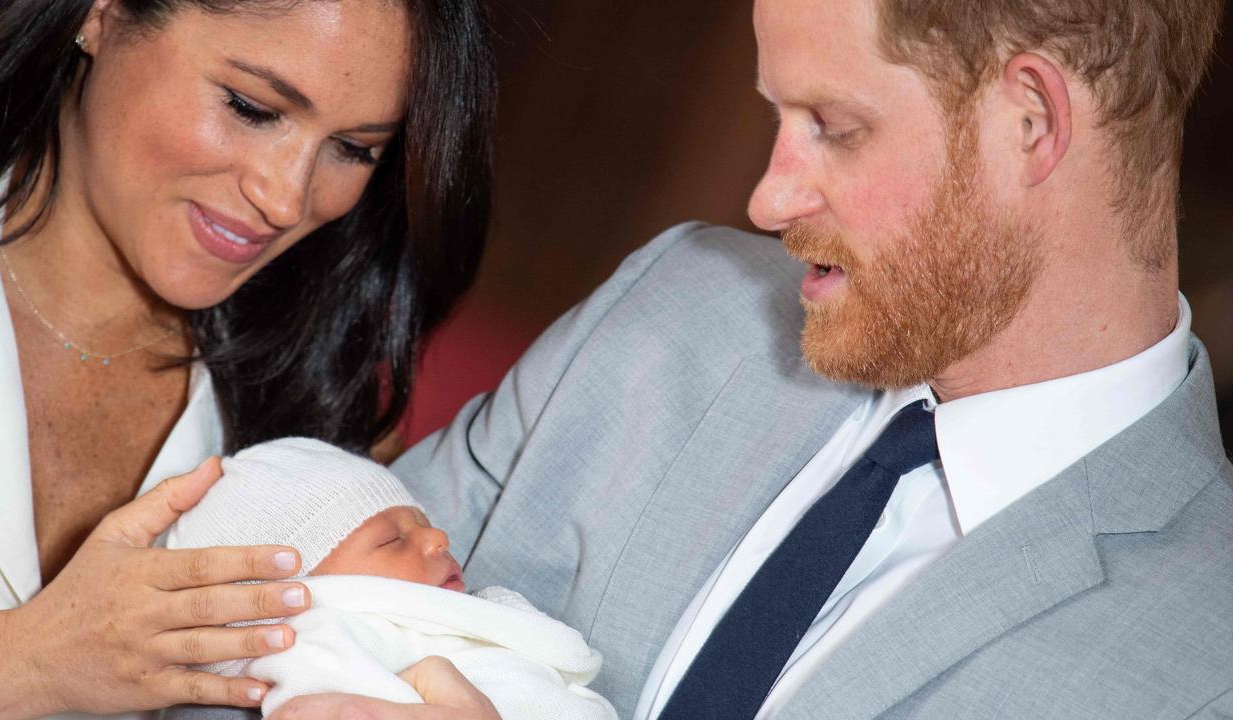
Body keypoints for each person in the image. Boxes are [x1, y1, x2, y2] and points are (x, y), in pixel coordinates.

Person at [286, 0, 1232, 718]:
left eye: (835, 127)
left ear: (1031, 120)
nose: (769, 200)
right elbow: (262, 629)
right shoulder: (672, 306)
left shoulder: (1207, 662)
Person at [0, 0, 494, 717]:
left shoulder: (322, 427)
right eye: (252, 107)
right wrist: (30, 657)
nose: (284, 196)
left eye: (354, 149)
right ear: (101, 14)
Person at [162, 437, 617, 719]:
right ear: (292, 598)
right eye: (390, 540)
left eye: (423, 520)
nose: (438, 536)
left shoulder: (469, 620)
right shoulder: (321, 640)